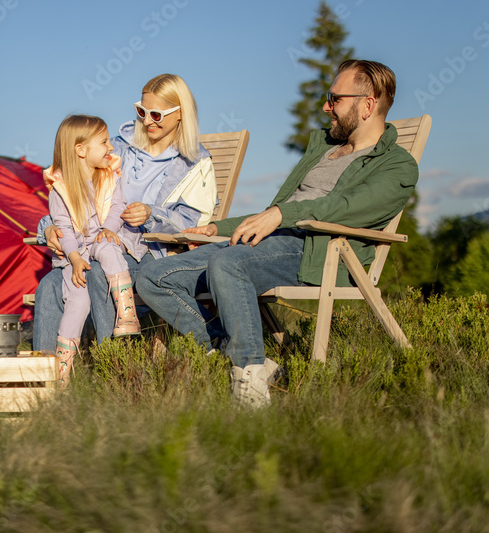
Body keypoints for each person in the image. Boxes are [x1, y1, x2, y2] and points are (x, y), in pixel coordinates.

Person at [136, 59, 419, 407]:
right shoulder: (324, 149)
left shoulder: (398, 165)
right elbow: (275, 212)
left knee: (228, 263)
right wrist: (218, 227)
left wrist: (283, 213)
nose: (325, 106)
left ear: (368, 104)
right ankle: (249, 357)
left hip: (321, 251)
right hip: (266, 241)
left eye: (335, 98)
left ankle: (251, 388)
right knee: (153, 277)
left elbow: (347, 207)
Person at [32, 74, 220, 351]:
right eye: (141, 111)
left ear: (180, 114)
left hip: (149, 250)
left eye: (156, 114)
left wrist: (151, 213)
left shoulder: (194, 162)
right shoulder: (118, 147)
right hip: (96, 243)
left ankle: (116, 363)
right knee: (49, 285)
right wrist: (47, 227)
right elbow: (73, 190)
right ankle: (45, 377)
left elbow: (192, 223)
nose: (147, 121)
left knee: (97, 273)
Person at [44, 115, 139, 383]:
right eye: (104, 142)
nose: (110, 147)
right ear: (81, 150)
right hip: (75, 255)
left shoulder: (108, 177)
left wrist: (109, 228)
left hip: (100, 241)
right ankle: (62, 372)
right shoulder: (60, 189)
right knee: (78, 301)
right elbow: (62, 226)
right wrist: (73, 259)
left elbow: (118, 206)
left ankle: (127, 314)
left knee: (109, 249)